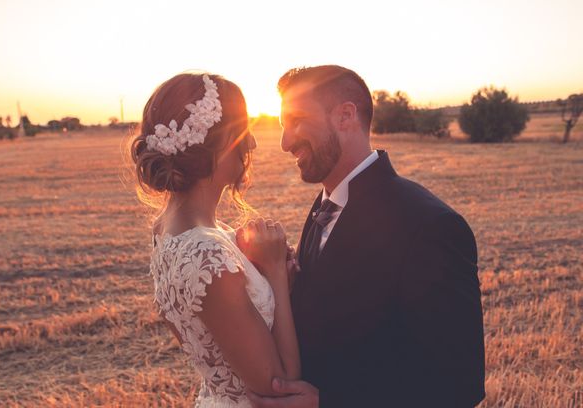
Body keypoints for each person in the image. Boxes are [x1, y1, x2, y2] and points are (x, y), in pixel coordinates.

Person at [248, 65, 485, 408]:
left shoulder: (430, 226)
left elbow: (459, 386)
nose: (285, 142)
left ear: (345, 116)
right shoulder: (323, 206)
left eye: (296, 120)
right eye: (283, 125)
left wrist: (330, 404)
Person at [130, 72, 301, 407]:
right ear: (217, 140)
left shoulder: (169, 230)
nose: (251, 144)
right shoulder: (206, 253)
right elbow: (282, 386)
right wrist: (276, 274)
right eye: (243, 131)